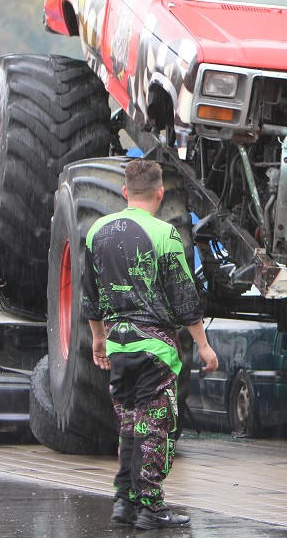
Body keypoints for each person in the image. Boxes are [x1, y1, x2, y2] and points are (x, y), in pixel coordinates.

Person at [82, 158, 219, 531]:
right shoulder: (164, 234)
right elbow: (185, 298)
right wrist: (204, 346)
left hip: (118, 347)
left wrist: (98, 340)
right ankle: (152, 508)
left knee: (128, 426)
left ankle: (124, 504)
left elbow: (90, 297)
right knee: (155, 426)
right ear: (160, 194)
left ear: (125, 193)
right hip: (154, 350)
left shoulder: (97, 232)